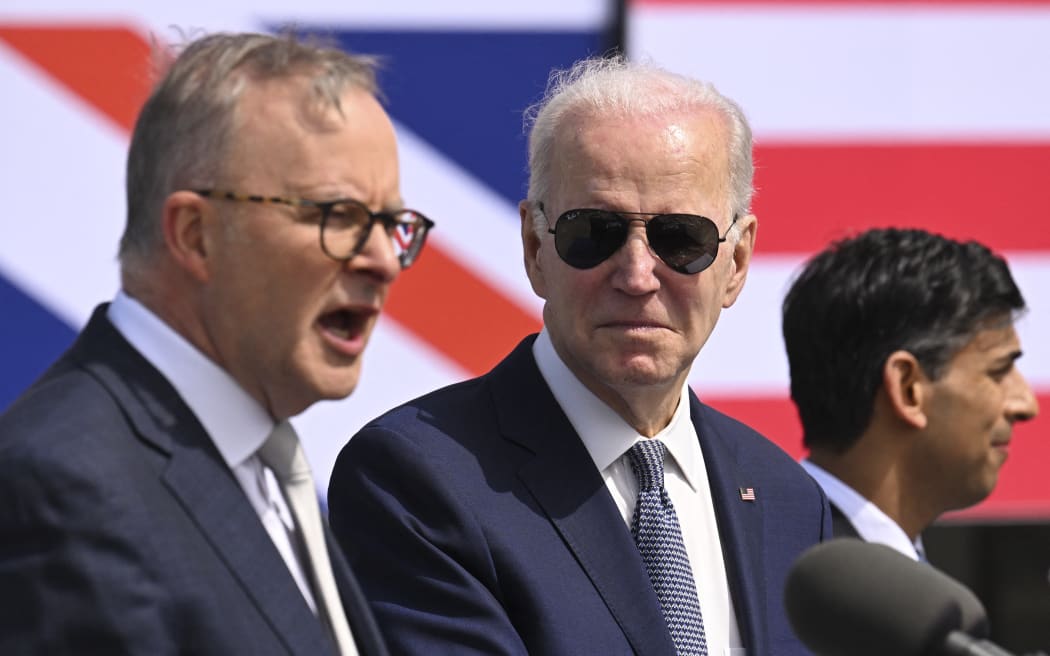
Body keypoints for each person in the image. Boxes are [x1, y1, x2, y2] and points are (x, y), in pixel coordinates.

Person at [328, 55, 830, 655]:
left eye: (681, 238)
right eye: (594, 232)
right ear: (536, 247)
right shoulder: (416, 480)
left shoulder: (788, 500)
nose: (639, 275)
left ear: (737, 262)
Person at [0, 31, 435, 655]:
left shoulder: (263, 464)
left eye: (392, 224)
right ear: (196, 234)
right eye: (338, 215)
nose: (382, 262)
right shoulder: (61, 490)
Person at [782, 228, 1039, 561]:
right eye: (998, 371)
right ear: (907, 388)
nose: (1026, 405)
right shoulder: (774, 579)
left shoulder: (789, 556)